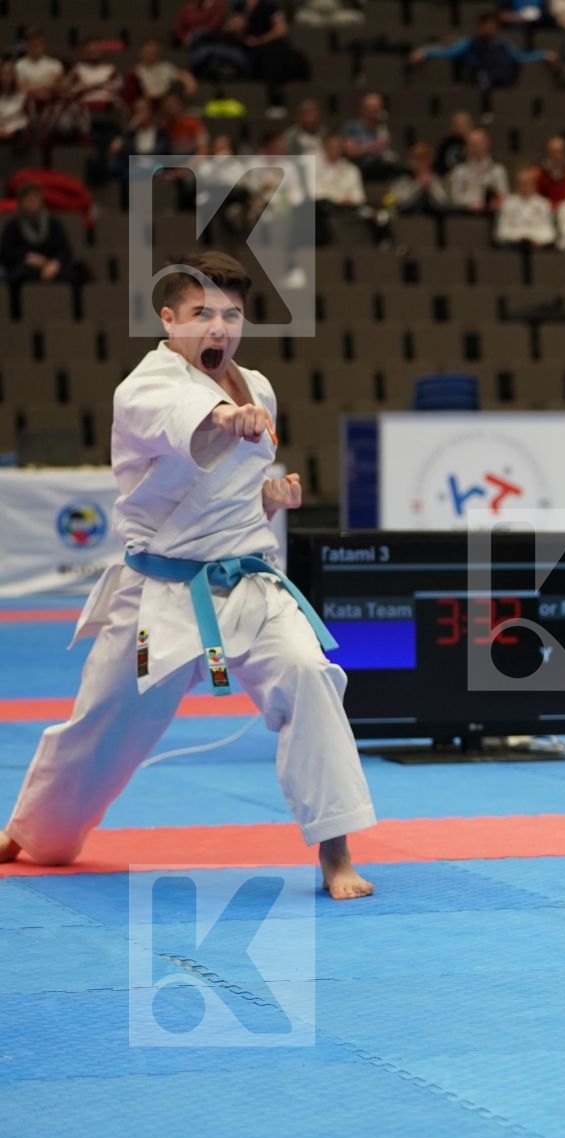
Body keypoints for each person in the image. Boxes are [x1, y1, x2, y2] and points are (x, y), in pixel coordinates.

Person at [0, 252, 377, 898]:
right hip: (160, 593)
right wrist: (229, 421)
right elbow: (194, 430)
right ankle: (32, 831)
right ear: (169, 319)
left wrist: (272, 494)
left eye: (231, 314)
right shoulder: (144, 387)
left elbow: (230, 489)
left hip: (250, 585)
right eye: (202, 313)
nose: (218, 327)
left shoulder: (259, 386)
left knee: (312, 675)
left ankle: (335, 855)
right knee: (102, 724)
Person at [410, 11, 561, 89]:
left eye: (493, 24)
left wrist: (543, 54)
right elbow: (449, 52)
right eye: (487, 24)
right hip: (478, 82)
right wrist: (425, 51)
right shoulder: (470, 42)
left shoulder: (503, 43)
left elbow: (520, 56)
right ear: (480, 26)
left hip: (502, 82)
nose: (490, 27)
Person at [495, 166, 556, 246]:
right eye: (522, 183)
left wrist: (536, 239)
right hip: (513, 245)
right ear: (516, 185)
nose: (525, 186)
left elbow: (549, 231)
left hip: (537, 245)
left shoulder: (543, 204)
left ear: (534, 184)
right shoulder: (508, 203)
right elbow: (501, 231)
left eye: (528, 183)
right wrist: (518, 238)